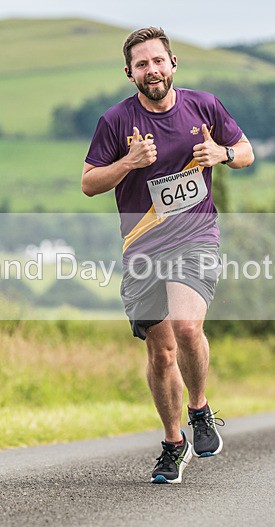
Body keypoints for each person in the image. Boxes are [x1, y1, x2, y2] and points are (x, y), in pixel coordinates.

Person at [81, 27, 254, 483]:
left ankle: (200, 410)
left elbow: (246, 152)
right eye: (142, 64)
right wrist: (128, 164)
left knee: (186, 326)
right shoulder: (115, 122)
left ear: (173, 64)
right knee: (161, 354)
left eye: (158, 60)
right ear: (129, 73)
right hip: (141, 248)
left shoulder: (204, 106)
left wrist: (221, 152)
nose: (151, 70)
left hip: (196, 236)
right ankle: (173, 444)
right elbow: (89, 182)